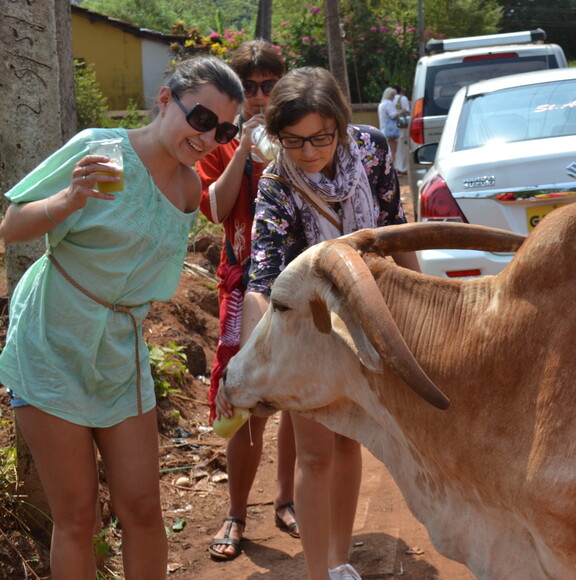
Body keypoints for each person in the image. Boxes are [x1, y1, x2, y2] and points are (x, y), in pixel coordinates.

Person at [0, 56, 243, 579]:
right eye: (201, 119)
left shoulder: (188, 190)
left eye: (223, 129)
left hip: (119, 351)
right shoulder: (99, 149)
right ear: (165, 100)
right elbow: (12, 224)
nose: (208, 137)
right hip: (52, 338)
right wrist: (67, 201)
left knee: (142, 509)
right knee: (77, 517)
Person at [215, 66, 419, 580]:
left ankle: (341, 563)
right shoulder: (277, 183)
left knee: (351, 440)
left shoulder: (371, 151)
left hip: (365, 315)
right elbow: (262, 279)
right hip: (306, 329)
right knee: (315, 452)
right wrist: (262, 359)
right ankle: (316, 571)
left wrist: (415, 314)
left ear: (342, 127)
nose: (308, 152)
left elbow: (396, 236)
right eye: (293, 141)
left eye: (320, 138)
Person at [196, 39, 298, 562]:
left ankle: (287, 499)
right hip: (243, 285)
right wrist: (240, 149)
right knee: (248, 399)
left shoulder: (301, 131)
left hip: (300, 279)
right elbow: (213, 209)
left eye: (268, 83)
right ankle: (236, 512)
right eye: (250, 86)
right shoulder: (220, 141)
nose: (260, 95)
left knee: (302, 395)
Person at [377, 86, 400, 161]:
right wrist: (402, 112)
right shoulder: (389, 103)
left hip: (383, 130)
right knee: (393, 151)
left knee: (387, 152)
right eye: (393, 95)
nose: (394, 97)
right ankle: (392, 170)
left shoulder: (381, 104)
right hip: (390, 131)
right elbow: (393, 116)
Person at [392, 86, 410, 175]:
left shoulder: (391, 99)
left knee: (396, 148)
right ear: (402, 91)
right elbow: (407, 111)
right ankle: (403, 167)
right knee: (403, 147)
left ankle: (397, 166)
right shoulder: (403, 98)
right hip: (403, 125)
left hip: (394, 126)